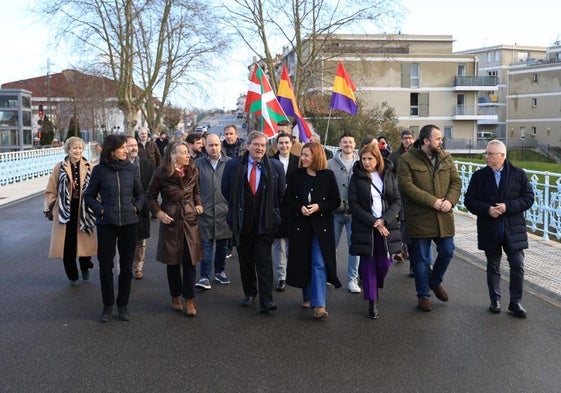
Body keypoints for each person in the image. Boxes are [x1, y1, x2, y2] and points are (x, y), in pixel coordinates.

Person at [465, 140, 534, 317]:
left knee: (517, 265)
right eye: (486, 153)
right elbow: (469, 201)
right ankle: (495, 300)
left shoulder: (518, 174)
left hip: (514, 229)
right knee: (493, 265)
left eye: (490, 154)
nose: (486, 156)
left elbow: (528, 198)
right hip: (490, 228)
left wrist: (508, 207)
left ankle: (515, 302)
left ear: (502, 156)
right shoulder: (479, 176)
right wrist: (487, 209)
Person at [397, 124, 461, 312]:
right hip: (420, 217)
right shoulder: (407, 159)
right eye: (438, 139)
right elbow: (406, 186)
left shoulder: (446, 158)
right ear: (426, 141)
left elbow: (456, 181)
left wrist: (450, 201)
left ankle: (434, 281)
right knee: (421, 259)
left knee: (448, 251)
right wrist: (432, 201)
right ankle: (423, 295)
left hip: (443, 216)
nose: (441, 142)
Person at [221, 131, 286, 313]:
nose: (259, 148)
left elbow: (280, 194)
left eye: (263, 145)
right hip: (242, 223)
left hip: (265, 223)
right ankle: (250, 293)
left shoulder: (276, 167)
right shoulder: (233, 166)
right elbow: (226, 191)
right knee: (246, 261)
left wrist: (271, 212)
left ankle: (266, 300)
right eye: (256, 144)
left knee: (264, 262)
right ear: (247, 146)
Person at [84, 134, 145, 322]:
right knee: (105, 267)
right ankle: (108, 305)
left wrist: (136, 207)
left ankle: (123, 305)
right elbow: (89, 196)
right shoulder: (99, 171)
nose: (127, 150)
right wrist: (100, 210)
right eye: (123, 148)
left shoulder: (132, 169)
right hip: (107, 225)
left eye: (127, 147)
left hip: (129, 223)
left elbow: (140, 194)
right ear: (112, 150)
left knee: (126, 268)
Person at [284, 142, 341, 319]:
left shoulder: (328, 176)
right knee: (304, 261)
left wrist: (319, 206)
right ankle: (307, 296)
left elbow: (335, 201)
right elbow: (287, 200)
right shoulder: (295, 176)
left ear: (316, 156)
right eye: (302, 155)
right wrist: (299, 207)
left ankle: (319, 305)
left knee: (319, 262)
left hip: (321, 227)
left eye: (307, 155)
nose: (303, 158)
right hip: (301, 226)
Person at [146, 141, 204, 316]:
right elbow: (150, 197)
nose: (188, 155)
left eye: (188, 152)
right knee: (172, 262)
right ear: (173, 156)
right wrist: (159, 214)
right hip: (170, 220)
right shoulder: (161, 173)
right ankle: (175, 296)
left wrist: (198, 205)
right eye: (183, 152)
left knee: (190, 262)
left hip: (189, 220)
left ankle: (190, 300)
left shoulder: (193, 171)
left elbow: (196, 193)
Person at [349, 143, 401, 319]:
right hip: (366, 227)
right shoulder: (356, 177)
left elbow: (397, 201)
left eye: (370, 159)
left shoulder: (387, 175)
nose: (366, 162)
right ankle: (372, 300)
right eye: (363, 159)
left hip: (387, 227)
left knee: (385, 263)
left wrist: (384, 220)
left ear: (377, 159)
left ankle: (373, 286)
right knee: (368, 262)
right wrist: (374, 222)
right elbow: (354, 205)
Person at [44, 136, 97, 286]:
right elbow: (50, 189)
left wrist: (96, 204)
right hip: (65, 210)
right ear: (68, 150)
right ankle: (72, 275)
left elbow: (97, 188)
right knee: (67, 245)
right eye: (74, 148)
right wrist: (53, 205)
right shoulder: (59, 167)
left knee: (84, 242)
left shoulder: (90, 166)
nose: (78, 151)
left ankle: (85, 265)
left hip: (84, 210)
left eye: (80, 148)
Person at [194, 134, 232, 290]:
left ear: (220, 145)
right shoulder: (197, 164)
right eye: (210, 145)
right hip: (205, 212)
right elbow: (194, 188)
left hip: (225, 212)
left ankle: (220, 272)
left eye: (216, 145)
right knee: (206, 246)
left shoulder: (230, 163)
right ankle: (204, 277)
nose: (214, 148)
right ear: (205, 147)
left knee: (223, 246)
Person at [327, 131, 360, 293]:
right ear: (340, 145)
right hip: (335, 213)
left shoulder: (361, 163)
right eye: (345, 142)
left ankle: (353, 279)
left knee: (355, 248)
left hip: (355, 214)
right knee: (330, 246)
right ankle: (329, 274)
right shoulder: (330, 164)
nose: (348, 145)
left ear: (355, 145)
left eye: (350, 142)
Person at [271, 132, 299, 291]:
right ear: (277, 144)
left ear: (291, 143)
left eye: (287, 142)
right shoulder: (271, 161)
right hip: (277, 208)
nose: (284, 146)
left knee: (292, 244)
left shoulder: (298, 161)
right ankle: (281, 277)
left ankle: (291, 273)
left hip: (294, 209)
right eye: (281, 143)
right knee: (278, 245)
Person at [125, 136, 154, 280]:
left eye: (135, 145)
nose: (134, 148)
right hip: (124, 207)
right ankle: (126, 266)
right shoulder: (119, 164)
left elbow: (150, 186)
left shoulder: (145, 164)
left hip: (142, 207)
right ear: (124, 147)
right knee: (126, 239)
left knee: (141, 240)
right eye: (131, 145)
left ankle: (138, 267)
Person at [388, 129, 416, 271]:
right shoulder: (394, 156)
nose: (408, 141)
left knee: (408, 227)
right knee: (396, 225)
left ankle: (407, 253)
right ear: (401, 139)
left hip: (413, 198)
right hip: (396, 197)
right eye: (405, 138)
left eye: (410, 138)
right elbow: (388, 176)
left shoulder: (417, 156)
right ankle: (399, 249)